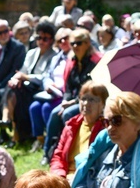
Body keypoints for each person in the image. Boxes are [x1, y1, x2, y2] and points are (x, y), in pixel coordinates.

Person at [42, 28, 101, 165]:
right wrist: (65, 101)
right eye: (73, 43)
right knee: (54, 113)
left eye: (79, 43)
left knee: (67, 114)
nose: (75, 46)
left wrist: (72, 103)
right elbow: (68, 87)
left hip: (91, 101)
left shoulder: (95, 62)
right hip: (73, 100)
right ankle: (47, 152)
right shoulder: (72, 62)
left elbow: (93, 89)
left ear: (87, 43)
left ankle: (70, 150)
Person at [0, 21, 57, 145]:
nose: (41, 41)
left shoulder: (54, 56)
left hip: (39, 89)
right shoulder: (31, 53)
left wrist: (25, 77)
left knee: (14, 92)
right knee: (12, 86)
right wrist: (15, 78)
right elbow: (22, 70)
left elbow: (45, 77)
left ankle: (8, 121)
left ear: (52, 40)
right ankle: (9, 121)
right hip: (24, 86)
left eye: (45, 39)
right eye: (39, 38)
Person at [50, 81, 108, 181]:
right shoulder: (71, 126)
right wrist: (60, 176)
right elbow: (58, 156)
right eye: (83, 98)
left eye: (92, 100)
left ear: (103, 104)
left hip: (87, 181)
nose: (86, 103)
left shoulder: (105, 130)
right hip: (64, 178)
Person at [29, 27, 71, 153]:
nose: (63, 42)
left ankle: (53, 140)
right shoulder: (56, 58)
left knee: (47, 108)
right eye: (60, 40)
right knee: (34, 107)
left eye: (66, 39)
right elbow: (47, 75)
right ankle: (40, 139)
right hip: (52, 92)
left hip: (63, 94)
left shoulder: (72, 58)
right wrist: (48, 84)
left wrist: (60, 88)